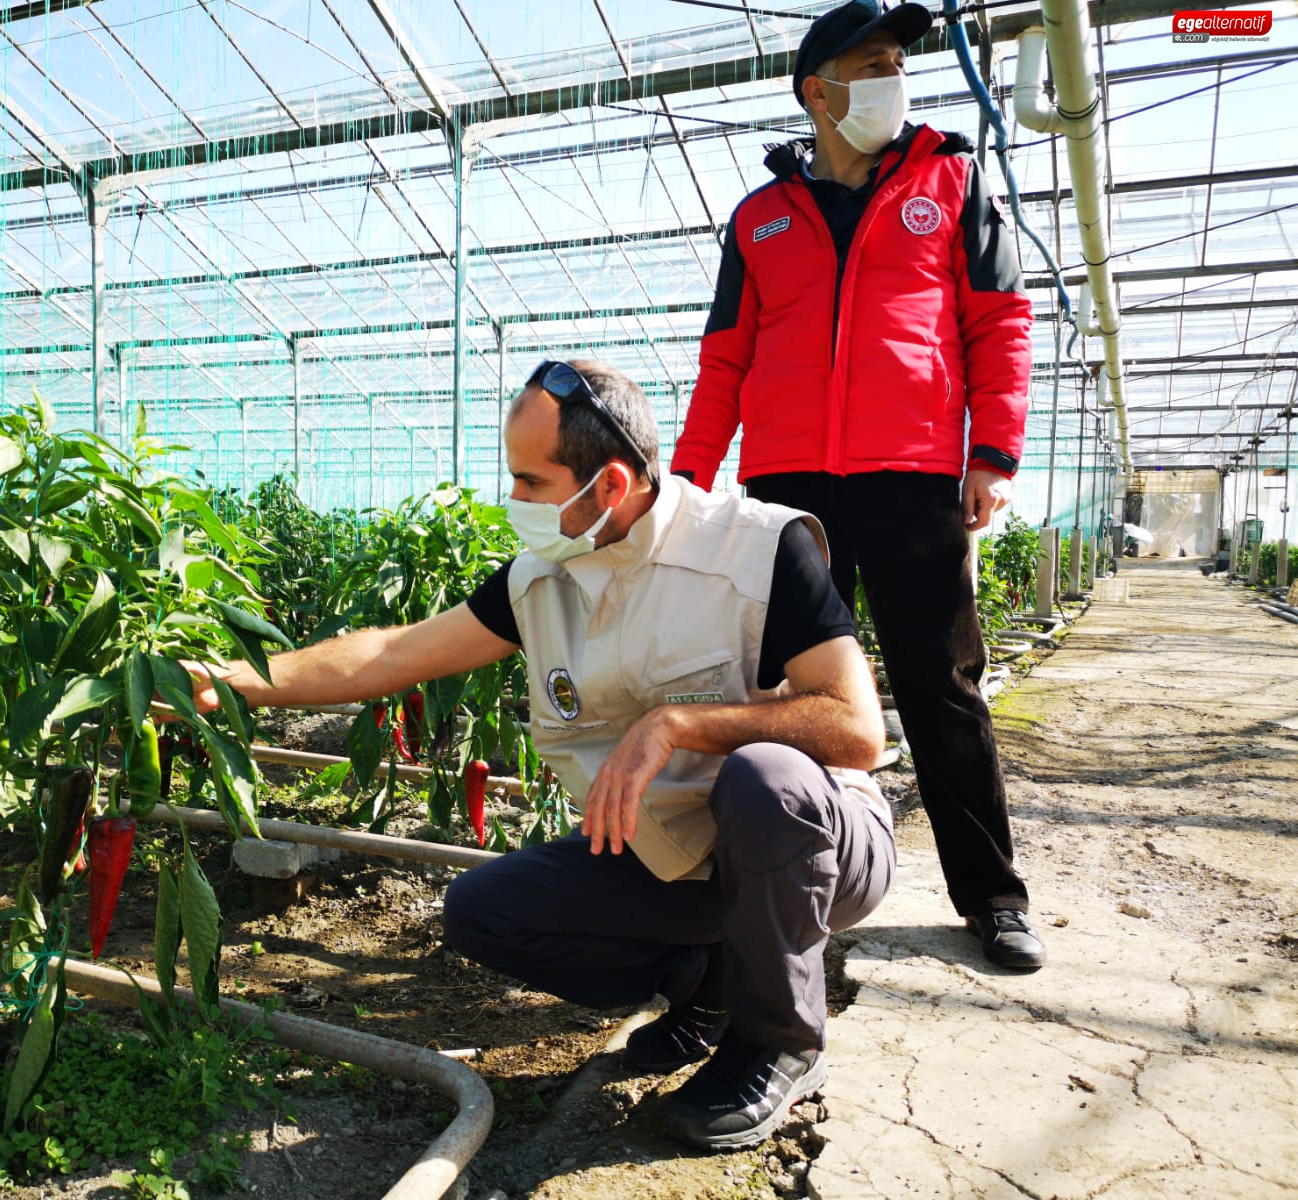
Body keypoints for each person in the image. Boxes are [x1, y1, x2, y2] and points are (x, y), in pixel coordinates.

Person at [178, 359, 896, 1150]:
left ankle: (779, 1042)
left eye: (530, 480)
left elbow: (856, 729)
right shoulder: (542, 579)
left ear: (611, 485)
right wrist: (244, 681)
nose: (513, 500)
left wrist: (679, 724)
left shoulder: (757, 549)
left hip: (819, 845)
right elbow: (392, 655)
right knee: (487, 912)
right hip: (679, 857)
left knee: (767, 780)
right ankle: (710, 983)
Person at [669, 0, 1045, 969]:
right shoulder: (758, 219)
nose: (892, 77)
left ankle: (992, 897)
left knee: (940, 687)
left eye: (896, 62)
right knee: (776, 695)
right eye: (872, 63)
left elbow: (999, 320)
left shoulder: (950, 180)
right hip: (786, 494)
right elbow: (723, 362)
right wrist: (685, 483)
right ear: (818, 90)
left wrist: (991, 454)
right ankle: (762, 896)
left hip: (913, 475)